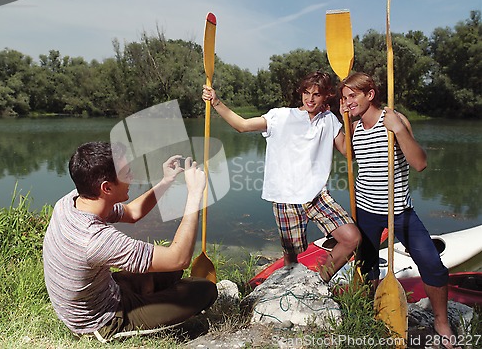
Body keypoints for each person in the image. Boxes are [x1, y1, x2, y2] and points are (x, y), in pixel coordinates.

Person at [43, 141, 217, 343]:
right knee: (205, 289)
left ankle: (150, 297)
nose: (132, 177)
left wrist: (166, 181)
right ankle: (144, 308)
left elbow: (133, 213)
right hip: (102, 321)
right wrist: (194, 195)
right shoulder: (95, 239)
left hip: (105, 291)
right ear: (106, 187)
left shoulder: (73, 201)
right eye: (126, 173)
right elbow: (179, 258)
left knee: (170, 271)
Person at [202, 71, 361, 282]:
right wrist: (216, 102)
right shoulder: (281, 116)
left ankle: (320, 282)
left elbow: (347, 151)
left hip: (317, 195)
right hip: (286, 196)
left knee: (352, 239)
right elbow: (241, 126)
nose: (310, 99)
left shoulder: (329, 119)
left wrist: (347, 118)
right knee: (292, 257)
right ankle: (289, 288)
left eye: (316, 94)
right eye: (306, 92)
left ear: (326, 96)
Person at [339, 72, 459, 349]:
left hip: (400, 212)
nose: (348, 102)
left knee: (433, 265)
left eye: (353, 96)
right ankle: (370, 314)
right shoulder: (355, 127)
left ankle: (441, 321)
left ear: (370, 95)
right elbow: (347, 152)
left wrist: (401, 130)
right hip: (365, 213)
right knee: (366, 267)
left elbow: (420, 164)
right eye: (344, 98)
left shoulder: (394, 120)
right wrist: (338, 119)